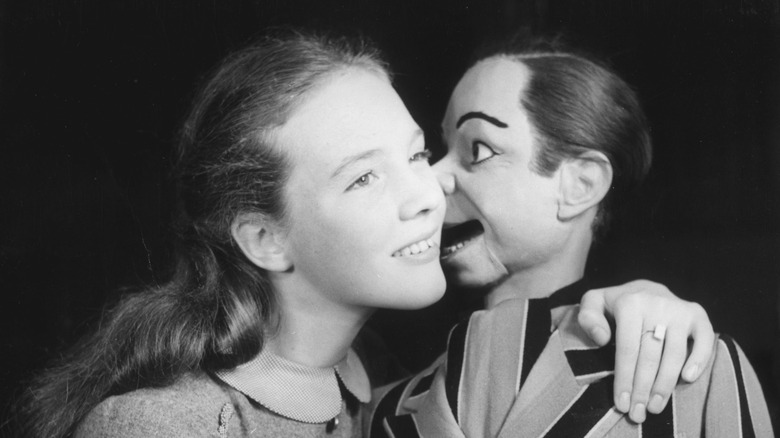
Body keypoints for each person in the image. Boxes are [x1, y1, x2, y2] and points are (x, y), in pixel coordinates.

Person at [15, 31, 713, 438]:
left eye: (413, 155)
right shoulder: (168, 426)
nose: (427, 191)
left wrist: (642, 303)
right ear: (265, 239)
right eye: (362, 179)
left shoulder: (394, 381)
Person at [368, 37, 775, 437]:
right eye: (440, 150)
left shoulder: (697, 371)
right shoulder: (381, 395)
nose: (432, 178)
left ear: (580, 185)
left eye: (478, 150)